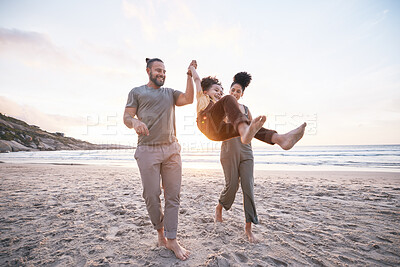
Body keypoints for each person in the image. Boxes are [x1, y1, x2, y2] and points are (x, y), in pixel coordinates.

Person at [123, 58, 195, 260]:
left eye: (164, 71)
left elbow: (189, 99)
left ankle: (172, 239)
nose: (162, 74)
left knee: (173, 196)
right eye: (158, 70)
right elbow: (126, 117)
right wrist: (135, 122)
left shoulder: (170, 93)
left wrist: (189, 76)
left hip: (172, 149)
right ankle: (160, 232)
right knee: (151, 195)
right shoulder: (137, 92)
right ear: (148, 71)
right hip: (147, 149)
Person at [189, 64, 306, 148]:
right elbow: (197, 80)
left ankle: (280, 139)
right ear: (205, 92)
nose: (219, 93)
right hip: (205, 123)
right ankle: (244, 130)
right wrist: (192, 68)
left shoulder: (220, 106)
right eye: (216, 90)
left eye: (221, 91)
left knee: (249, 125)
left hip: (217, 132)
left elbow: (229, 117)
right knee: (229, 100)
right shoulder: (202, 97)